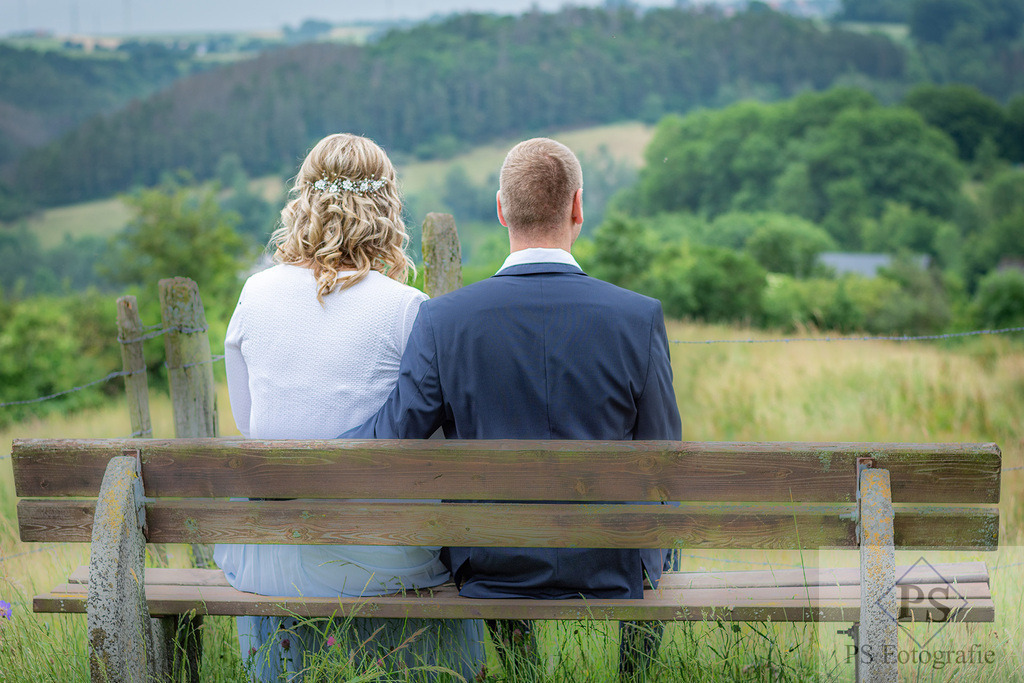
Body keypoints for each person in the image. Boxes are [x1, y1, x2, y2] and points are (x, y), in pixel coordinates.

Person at [342, 137, 682, 678]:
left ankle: (522, 669)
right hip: (610, 565)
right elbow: (665, 455)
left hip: (492, 563)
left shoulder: (445, 321)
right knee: (662, 528)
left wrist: (305, 453)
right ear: (577, 208)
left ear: (502, 209)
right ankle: (635, 673)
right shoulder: (637, 318)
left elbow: (394, 437)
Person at [213, 133, 485, 682]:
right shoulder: (408, 308)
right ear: (386, 208)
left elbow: (252, 422)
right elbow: (433, 445)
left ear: (304, 201)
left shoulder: (254, 294)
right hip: (384, 555)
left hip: (269, 554)